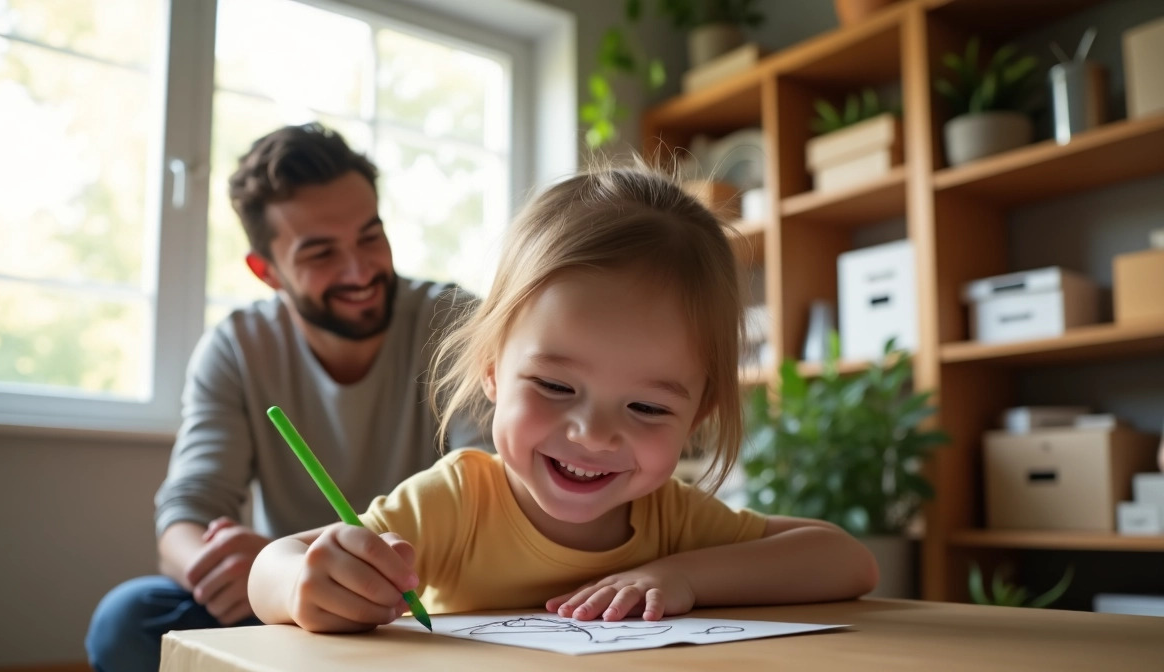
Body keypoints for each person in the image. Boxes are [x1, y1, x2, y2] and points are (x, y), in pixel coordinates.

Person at [247, 164, 878, 633]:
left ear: (698, 416)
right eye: (554, 386)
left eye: (649, 408)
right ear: (492, 372)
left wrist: (682, 576)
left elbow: (845, 560)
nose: (593, 434)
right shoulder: (459, 502)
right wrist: (306, 583)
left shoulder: (673, 520)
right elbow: (274, 564)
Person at [86, 123, 487, 672]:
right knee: (126, 624)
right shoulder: (235, 348)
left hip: (431, 595)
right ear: (265, 270)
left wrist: (299, 560)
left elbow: (491, 486)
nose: (359, 271)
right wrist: (243, 573)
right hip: (287, 607)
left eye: (370, 237)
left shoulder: (454, 321)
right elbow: (186, 514)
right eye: (321, 252)